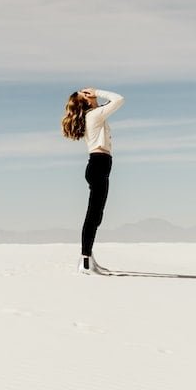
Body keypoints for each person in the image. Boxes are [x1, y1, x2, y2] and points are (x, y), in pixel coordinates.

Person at [61, 87, 125, 274]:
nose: (90, 94)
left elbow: (111, 103)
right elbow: (119, 99)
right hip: (98, 165)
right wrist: (97, 91)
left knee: (96, 216)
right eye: (86, 94)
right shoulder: (94, 115)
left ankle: (89, 258)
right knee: (93, 216)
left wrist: (95, 98)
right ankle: (85, 262)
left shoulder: (94, 114)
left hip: (99, 166)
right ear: (86, 101)